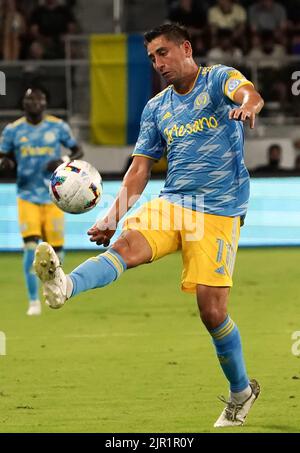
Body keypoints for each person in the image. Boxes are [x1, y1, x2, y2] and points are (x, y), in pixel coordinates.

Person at [33, 24, 264, 427]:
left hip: (219, 210)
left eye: (163, 54)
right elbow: (139, 169)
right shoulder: (157, 107)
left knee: (212, 313)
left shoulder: (217, 80)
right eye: (152, 58)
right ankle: (64, 286)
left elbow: (249, 93)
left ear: (186, 49)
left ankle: (241, 391)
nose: (158, 64)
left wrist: (248, 107)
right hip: (176, 201)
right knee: (125, 247)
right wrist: (112, 214)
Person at [0, 87, 83, 315]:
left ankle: (55, 286)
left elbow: (78, 151)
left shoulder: (57, 126)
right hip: (26, 196)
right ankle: (33, 300)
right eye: (30, 100)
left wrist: (62, 159)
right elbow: (3, 156)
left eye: (40, 100)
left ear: (45, 104)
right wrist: (5, 164)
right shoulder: (13, 131)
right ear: (23, 104)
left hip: (54, 196)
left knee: (57, 251)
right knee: (30, 247)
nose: (35, 104)